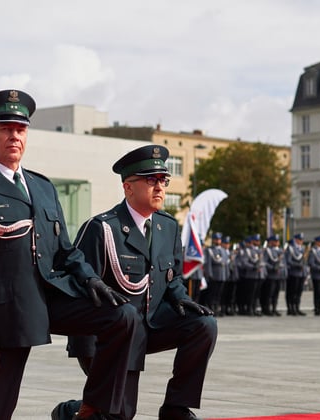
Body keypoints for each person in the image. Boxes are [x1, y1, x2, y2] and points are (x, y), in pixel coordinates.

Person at [0, 89, 139, 420]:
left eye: (20, 129)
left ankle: (90, 408)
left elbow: (64, 250)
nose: (14, 136)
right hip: (6, 312)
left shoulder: (42, 186)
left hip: (53, 298)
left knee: (123, 316)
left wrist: (90, 279)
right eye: (5, 128)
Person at [63, 144, 217, 420]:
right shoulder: (102, 229)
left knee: (204, 325)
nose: (159, 187)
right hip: (114, 338)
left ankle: (176, 408)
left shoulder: (167, 226)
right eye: (150, 180)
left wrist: (181, 298)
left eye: (163, 180)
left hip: (153, 325)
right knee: (120, 415)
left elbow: (172, 280)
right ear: (128, 187)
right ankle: (70, 412)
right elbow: (80, 293)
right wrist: (90, 360)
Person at [203, 232, 229, 316]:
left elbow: (226, 264)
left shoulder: (223, 250)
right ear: (213, 240)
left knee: (219, 293)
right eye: (216, 239)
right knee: (212, 293)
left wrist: (226, 274)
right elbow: (208, 264)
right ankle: (211, 308)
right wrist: (209, 274)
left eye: (219, 239)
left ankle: (217, 307)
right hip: (214, 275)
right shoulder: (209, 250)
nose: (218, 241)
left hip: (222, 275)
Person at [261, 235, 286, 317]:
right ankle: (267, 309)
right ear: (271, 242)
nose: (277, 242)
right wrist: (272, 268)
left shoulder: (280, 251)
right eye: (275, 241)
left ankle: (274, 308)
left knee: (276, 293)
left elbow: (283, 262)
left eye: (277, 241)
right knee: (268, 293)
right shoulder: (267, 251)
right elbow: (264, 262)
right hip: (270, 275)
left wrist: (280, 268)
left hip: (278, 275)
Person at [285, 233, 307, 316]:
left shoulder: (302, 249)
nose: (301, 241)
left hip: (301, 273)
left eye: (302, 240)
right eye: (300, 240)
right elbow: (289, 261)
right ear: (296, 240)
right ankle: (291, 308)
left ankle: (297, 307)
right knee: (292, 291)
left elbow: (305, 262)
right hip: (293, 273)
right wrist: (298, 265)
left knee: (299, 292)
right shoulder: (291, 249)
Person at [307, 235, 320, 316]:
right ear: (316, 242)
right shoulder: (313, 251)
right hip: (317, 275)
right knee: (317, 292)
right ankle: (316, 308)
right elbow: (311, 263)